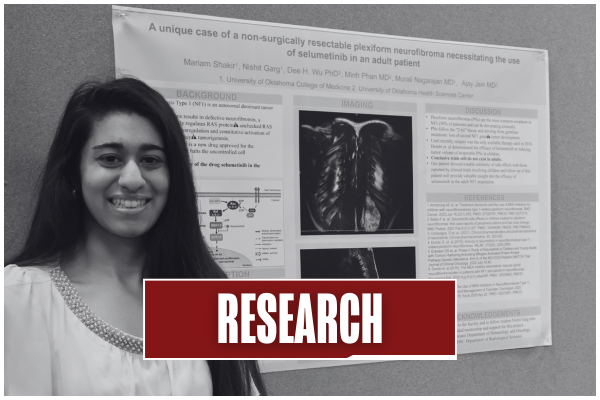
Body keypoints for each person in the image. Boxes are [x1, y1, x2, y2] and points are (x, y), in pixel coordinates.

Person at [5, 78, 267, 395]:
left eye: (151, 160)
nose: (132, 179)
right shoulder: (21, 298)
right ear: (74, 174)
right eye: (110, 158)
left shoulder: (201, 293)